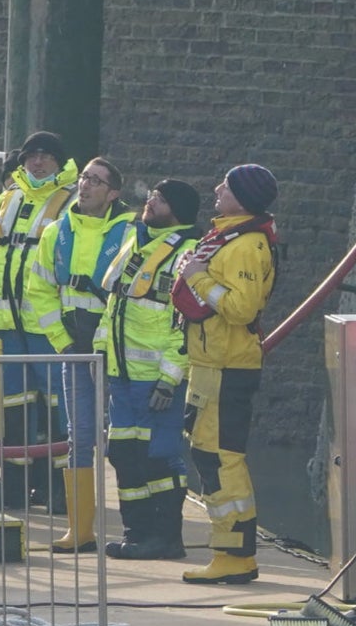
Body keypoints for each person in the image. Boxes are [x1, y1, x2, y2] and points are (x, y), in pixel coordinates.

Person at [173, 164, 280, 584]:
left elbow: (241, 309)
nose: (217, 189)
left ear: (243, 196)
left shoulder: (247, 246)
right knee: (207, 453)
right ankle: (229, 549)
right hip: (209, 362)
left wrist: (196, 277)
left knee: (221, 458)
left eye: (227, 185)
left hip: (227, 365)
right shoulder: (227, 237)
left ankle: (235, 553)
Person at [24, 155, 134, 552]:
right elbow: (40, 290)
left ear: (113, 193)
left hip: (117, 352)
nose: (85, 185)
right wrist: (63, 341)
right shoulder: (57, 232)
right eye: (84, 177)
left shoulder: (130, 233)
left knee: (122, 438)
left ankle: (133, 526)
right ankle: (80, 529)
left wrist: (106, 342)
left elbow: (130, 298)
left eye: (96, 180)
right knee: (79, 435)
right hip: (75, 347)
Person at [0, 130, 78, 511]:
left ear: (60, 163)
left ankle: (60, 491)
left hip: (47, 325)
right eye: (32, 156)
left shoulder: (72, 202)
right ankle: (13, 487)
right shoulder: (5, 199)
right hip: (5, 322)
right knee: (13, 408)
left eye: (46, 157)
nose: (37, 162)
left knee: (57, 409)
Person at [96, 180, 201, 561]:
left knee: (158, 456)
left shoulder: (188, 253)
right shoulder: (137, 244)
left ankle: (167, 537)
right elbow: (114, 306)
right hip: (122, 376)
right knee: (123, 453)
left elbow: (185, 324)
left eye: (159, 198)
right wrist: (100, 355)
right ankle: (136, 533)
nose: (149, 201)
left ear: (177, 209)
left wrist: (170, 378)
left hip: (156, 380)